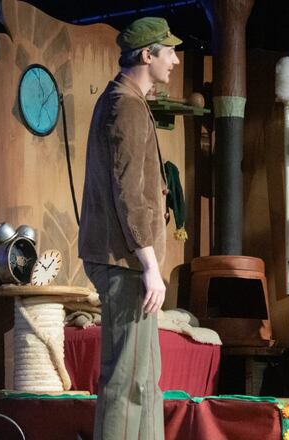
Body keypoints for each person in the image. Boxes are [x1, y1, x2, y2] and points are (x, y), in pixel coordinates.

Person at [78, 16, 181, 440]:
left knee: (144, 377)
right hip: (123, 262)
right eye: (168, 51)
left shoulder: (122, 101)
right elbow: (130, 193)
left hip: (124, 260)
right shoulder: (125, 106)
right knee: (125, 377)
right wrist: (149, 264)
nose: (175, 59)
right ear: (147, 55)